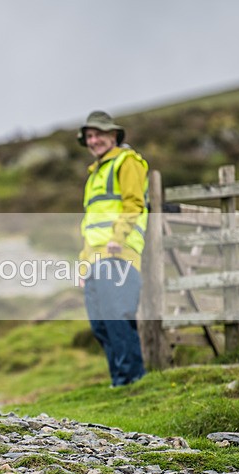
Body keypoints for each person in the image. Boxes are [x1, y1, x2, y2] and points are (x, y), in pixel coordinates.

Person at [77, 110, 148, 387]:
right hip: (95, 259)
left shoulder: (127, 162)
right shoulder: (95, 173)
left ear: (114, 135)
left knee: (118, 319)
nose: (94, 141)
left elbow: (134, 204)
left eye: (99, 134)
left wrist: (119, 237)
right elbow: (90, 224)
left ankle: (131, 381)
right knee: (101, 325)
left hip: (119, 255)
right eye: (90, 136)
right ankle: (120, 380)